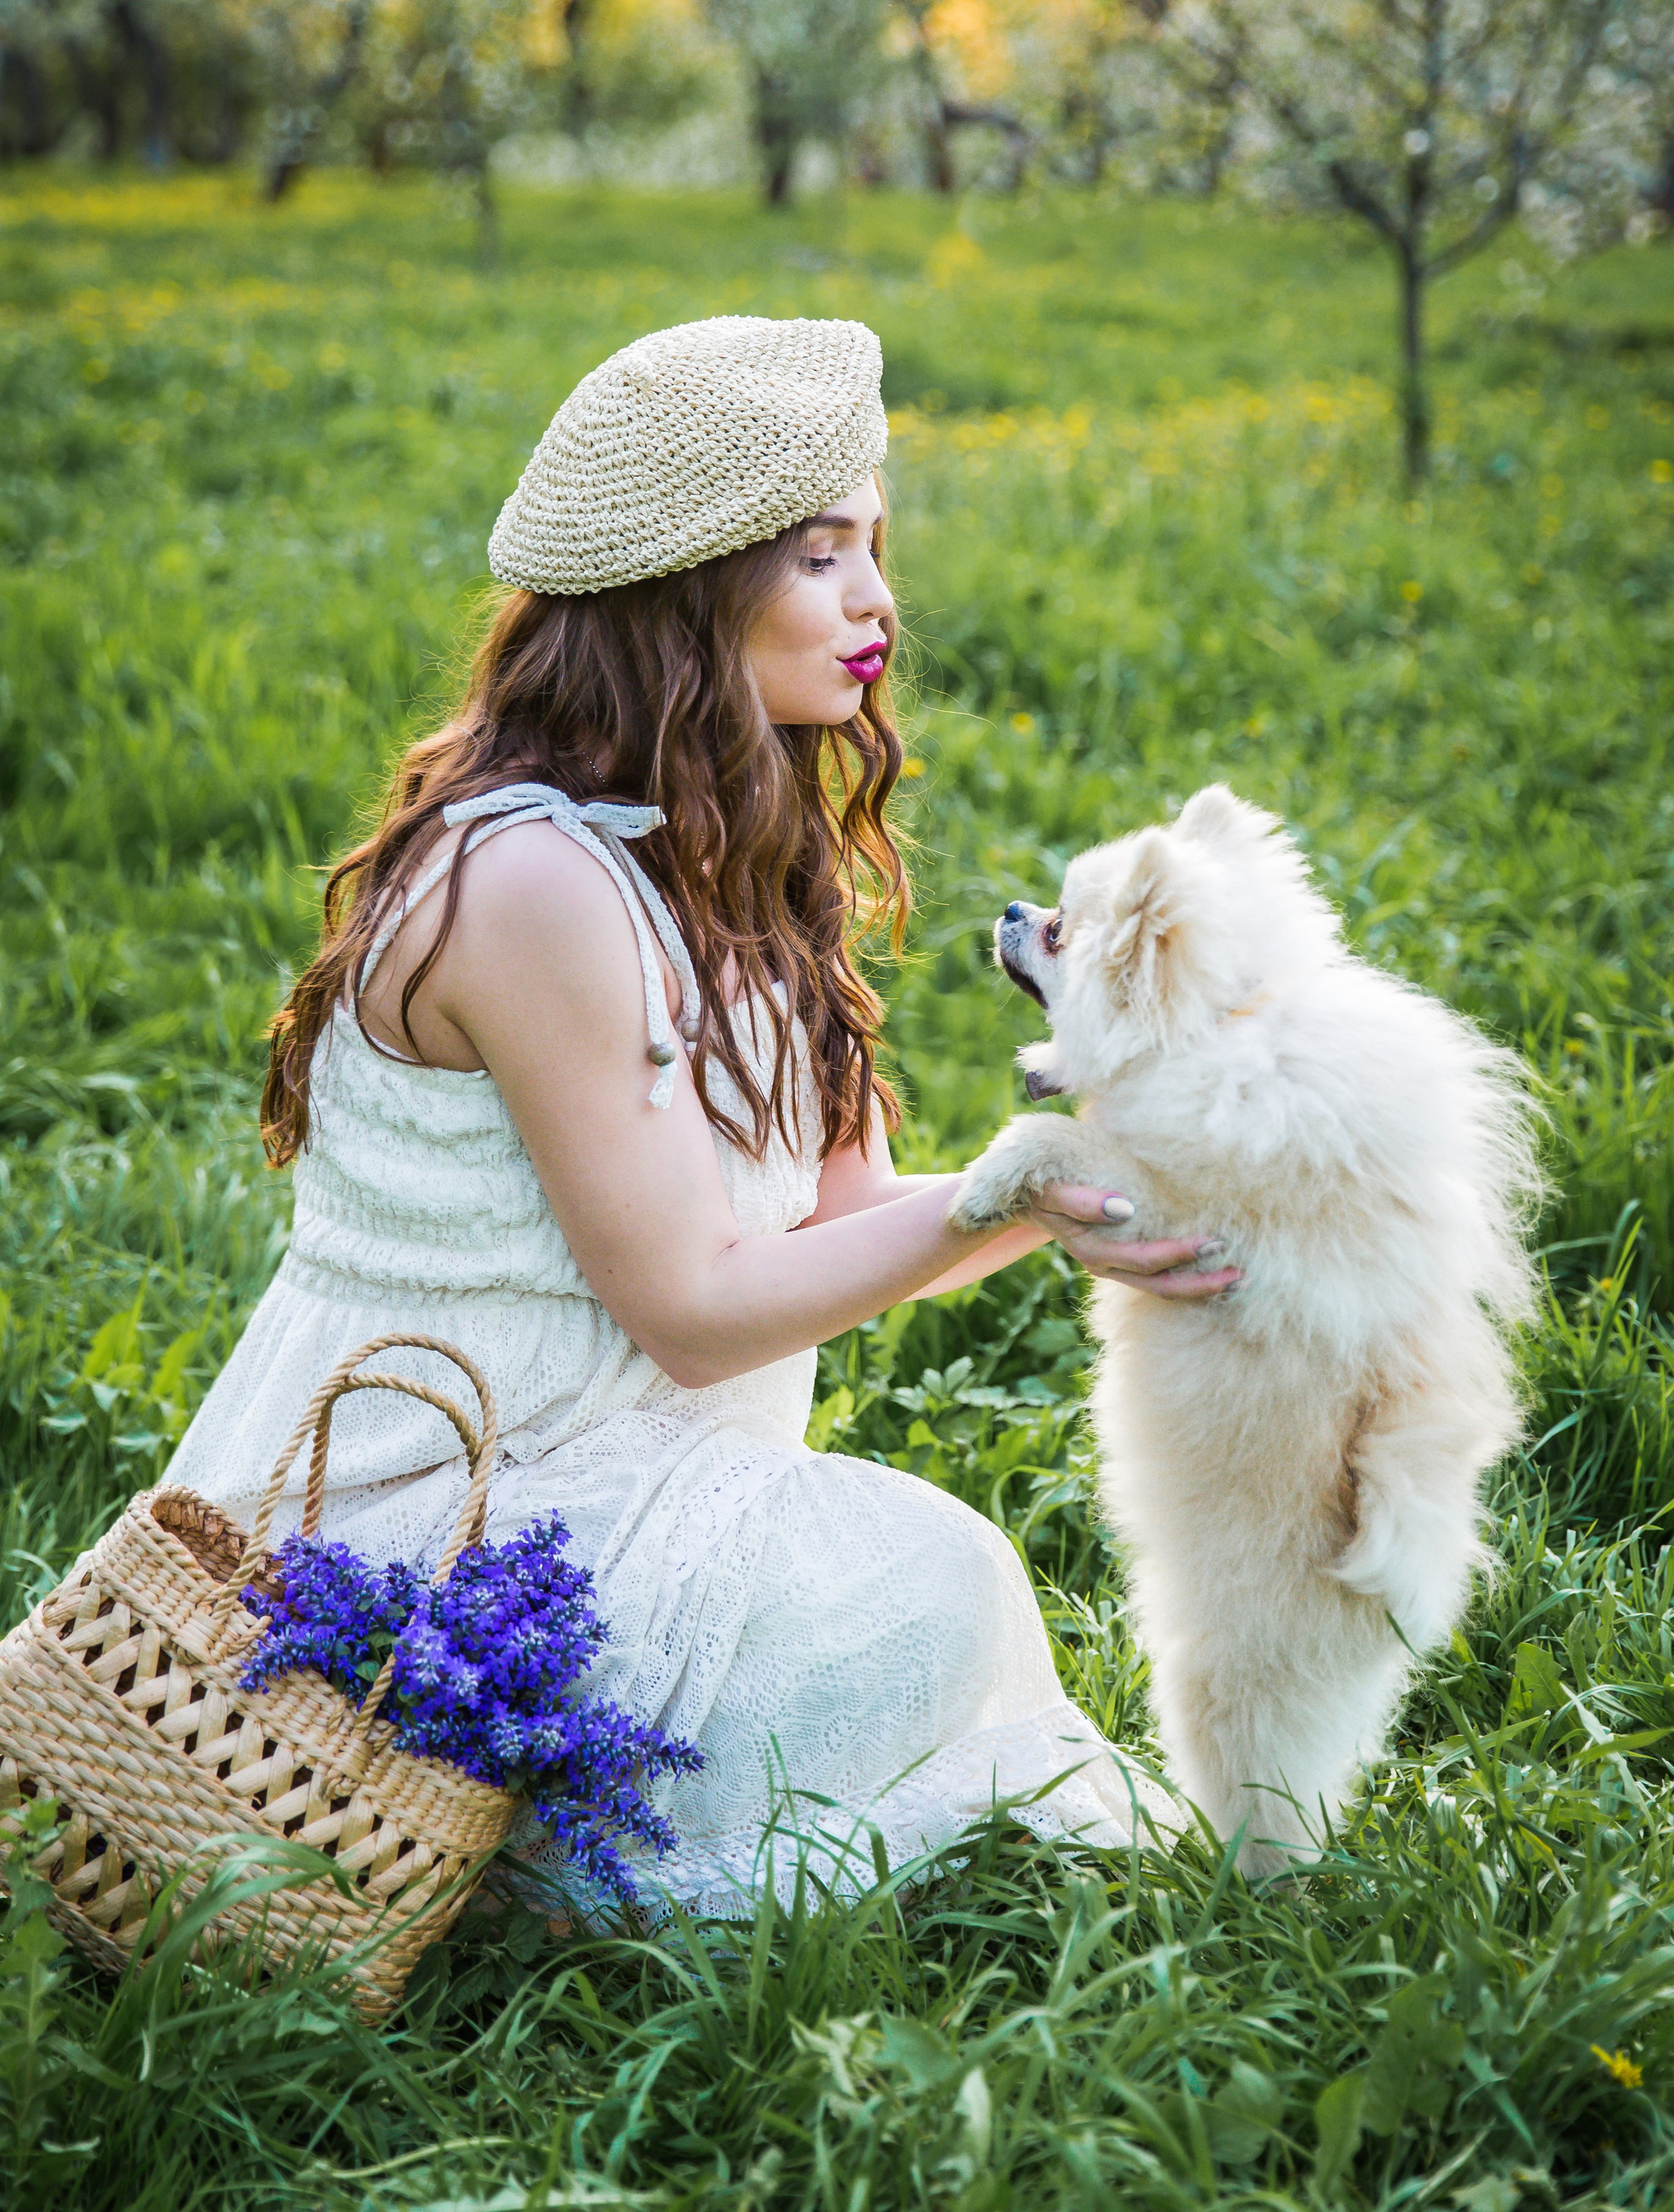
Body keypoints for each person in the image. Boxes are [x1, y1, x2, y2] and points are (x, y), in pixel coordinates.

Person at [163, 315, 1238, 1919]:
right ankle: (499, 1831)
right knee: (937, 1583)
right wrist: (1016, 1189)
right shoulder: (530, 878)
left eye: (874, 544)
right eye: (818, 556)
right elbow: (688, 1313)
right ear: (688, 580)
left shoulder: (742, 839)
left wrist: (1091, 1191)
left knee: (932, 1587)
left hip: (608, 1488)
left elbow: (835, 1222)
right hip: (425, 1528)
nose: (876, 599)